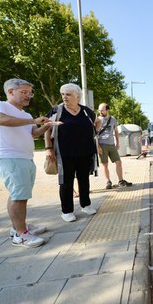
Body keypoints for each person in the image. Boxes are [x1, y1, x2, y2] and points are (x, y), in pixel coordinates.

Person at [0, 78, 54, 248]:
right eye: (24, 92)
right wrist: (33, 121)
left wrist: (48, 125)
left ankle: (19, 227)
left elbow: (35, 134)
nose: (28, 96)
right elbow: (2, 120)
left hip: (25, 158)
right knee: (19, 196)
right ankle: (21, 234)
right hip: (9, 157)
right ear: (10, 91)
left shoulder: (26, 115)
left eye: (29, 93)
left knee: (20, 194)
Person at [44, 83, 101, 222]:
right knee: (66, 182)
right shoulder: (57, 111)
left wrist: (95, 133)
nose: (64, 97)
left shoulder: (87, 111)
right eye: (63, 94)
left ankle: (85, 204)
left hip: (85, 151)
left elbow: (97, 122)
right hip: (65, 152)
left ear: (77, 96)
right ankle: (67, 210)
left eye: (68, 94)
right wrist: (48, 148)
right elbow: (47, 128)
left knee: (84, 179)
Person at [97, 103, 132, 189]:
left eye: (102, 110)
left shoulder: (112, 119)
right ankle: (108, 182)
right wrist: (98, 146)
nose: (100, 112)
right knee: (105, 164)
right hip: (102, 144)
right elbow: (95, 134)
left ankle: (121, 181)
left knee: (118, 162)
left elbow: (116, 131)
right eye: (99, 110)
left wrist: (118, 142)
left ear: (107, 110)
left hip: (111, 144)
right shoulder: (97, 120)